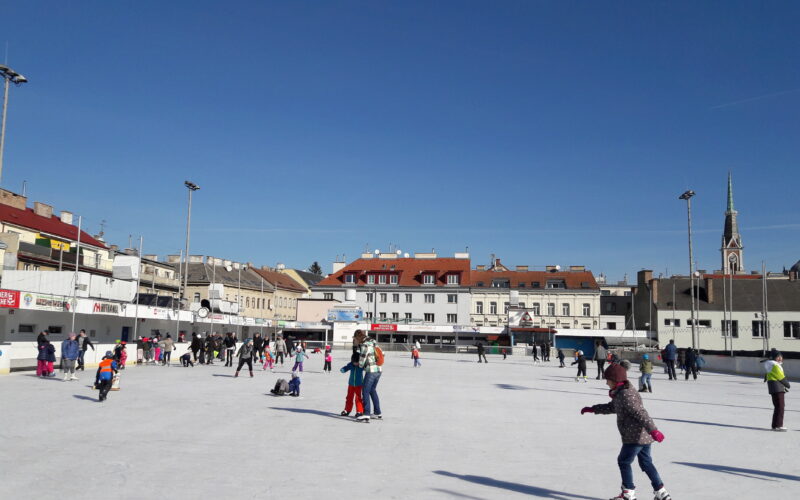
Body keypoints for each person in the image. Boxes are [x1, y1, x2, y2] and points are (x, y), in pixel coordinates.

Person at [580, 363, 671, 500]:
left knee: (623, 461)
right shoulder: (622, 392)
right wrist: (593, 409)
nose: (606, 383)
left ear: (615, 380)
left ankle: (628, 493)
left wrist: (654, 430)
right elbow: (613, 407)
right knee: (646, 463)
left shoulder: (625, 395)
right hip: (642, 436)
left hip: (634, 437)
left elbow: (640, 413)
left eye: (608, 379)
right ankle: (661, 492)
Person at [356, 330, 382, 422]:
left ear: (358, 337)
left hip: (371, 370)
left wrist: (359, 364)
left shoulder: (364, 344)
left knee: (365, 391)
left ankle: (366, 413)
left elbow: (362, 359)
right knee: (372, 390)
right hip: (379, 369)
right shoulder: (373, 342)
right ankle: (377, 412)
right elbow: (382, 354)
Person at [764, 349, 790, 431]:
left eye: (781, 356)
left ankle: (775, 425)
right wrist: (787, 384)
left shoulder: (770, 365)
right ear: (773, 357)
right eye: (778, 357)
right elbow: (780, 377)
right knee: (780, 407)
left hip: (773, 388)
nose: (780, 358)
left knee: (777, 406)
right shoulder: (775, 365)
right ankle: (779, 425)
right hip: (777, 388)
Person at [341, 350, 365, 418]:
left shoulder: (361, 366)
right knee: (349, 397)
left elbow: (366, 367)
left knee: (358, 398)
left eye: (357, 362)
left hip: (359, 384)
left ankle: (359, 411)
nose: (355, 364)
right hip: (351, 384)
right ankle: (347, 410)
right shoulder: (351, 364)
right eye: (354, 362)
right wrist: (343, 369)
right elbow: (347, 367)